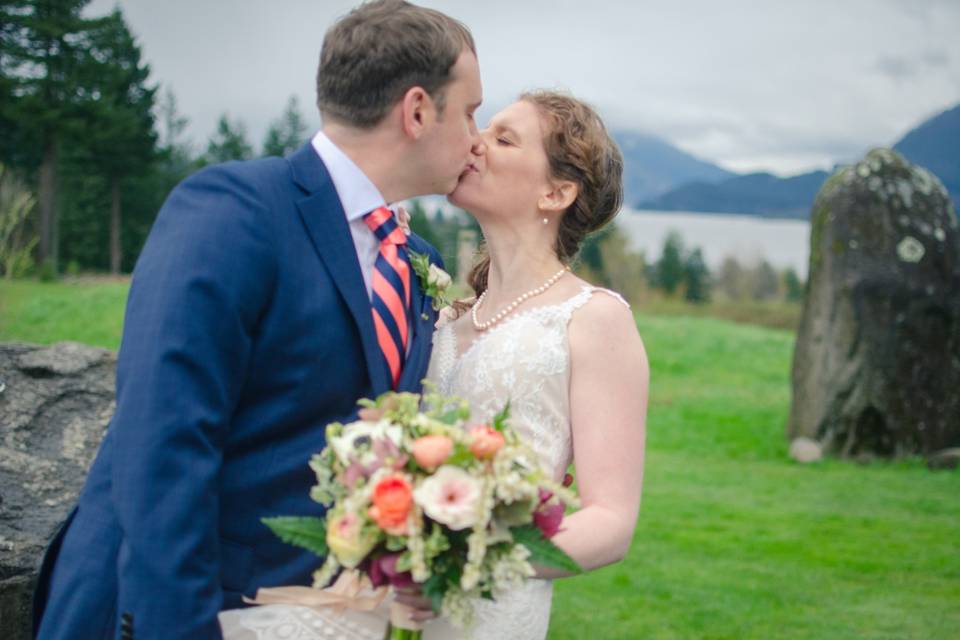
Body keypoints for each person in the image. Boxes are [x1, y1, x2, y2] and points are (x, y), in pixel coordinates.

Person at [31, 2, 482, 638]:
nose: (476, 136)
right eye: (470, 111)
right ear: (416, 112)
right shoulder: (232, 211)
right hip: (183, 608)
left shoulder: (418, 262)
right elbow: (164, 442)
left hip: (323, 614)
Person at [221, 91, 649, 640]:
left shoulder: (593, 319)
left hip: (489, 613)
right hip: (383, 604)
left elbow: (610, 524)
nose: (476, 143)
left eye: (504, 138)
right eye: (483, 128)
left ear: (557, 191)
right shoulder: (438, 314)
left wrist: (457, 563)